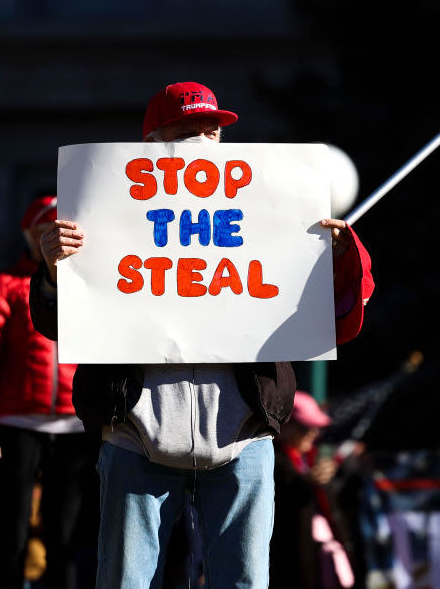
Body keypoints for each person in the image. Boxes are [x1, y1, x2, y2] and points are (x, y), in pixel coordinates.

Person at [29, 81, 375, 588]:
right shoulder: (100, 213)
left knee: (245, 582)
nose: (204, 142)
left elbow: (340, 319)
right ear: (151, 144)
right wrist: (55, 270)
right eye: (188, 131)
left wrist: (342, 257)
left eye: (212, 130)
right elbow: (56, 325)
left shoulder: (267, 210)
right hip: (135, 432)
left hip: (244, 436)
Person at [0, 195, 94, 589]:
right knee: (14, 532)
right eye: (45, 230)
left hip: (73, 425)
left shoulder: (88, 286)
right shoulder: (5, 286)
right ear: (30, 234)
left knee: (65, 538)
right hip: (16, 423)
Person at [272, 391, 354, 589]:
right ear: (283, 425)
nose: (313, 433)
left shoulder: (308, 458)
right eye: (305, 427)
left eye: (315, 428)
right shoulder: (271, 462)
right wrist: (307, 482)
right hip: (287, 567)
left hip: (319, 560)